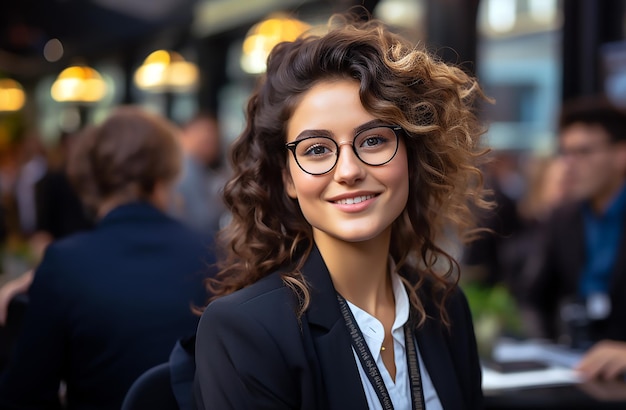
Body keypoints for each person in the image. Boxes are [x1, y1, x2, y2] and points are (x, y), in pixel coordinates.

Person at [194, 14, 491, 410]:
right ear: (287, 178)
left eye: (373, 140)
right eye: (316, 149)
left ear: (411, 156)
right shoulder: (246, 329)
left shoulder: (443, 305)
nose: (349, 171)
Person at [0, 106, 216, 410]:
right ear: (164, 175)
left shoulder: (64, 265)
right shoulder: (213, 252)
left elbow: (24, 396)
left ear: (90, 179)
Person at [524, 96, 626, 348]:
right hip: (575, 362)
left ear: (621, 154)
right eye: (566, 153)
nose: (569, 165)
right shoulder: (563, 217)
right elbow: (535, 297)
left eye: (583, 152)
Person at [171, 112, 229, 235]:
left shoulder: (196, 168)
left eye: (214, 140)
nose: (212, 144)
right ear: (183, 135)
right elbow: (201, 221)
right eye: (206, 141)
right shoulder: (187, 169)